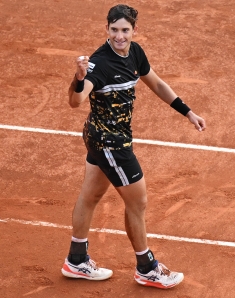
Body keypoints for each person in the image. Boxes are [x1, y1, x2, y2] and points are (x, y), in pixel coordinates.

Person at [61, 4, 206, 289]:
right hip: (110, 143)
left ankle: (76, 260)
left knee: (90, 195)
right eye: (114, 30)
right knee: (137, 202)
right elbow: (75, 102)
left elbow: (157, 84)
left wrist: (188, 112)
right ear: (106, 29)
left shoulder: (135, 52)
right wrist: (79, 78)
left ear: (134, 30)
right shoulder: (98, 64)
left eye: (125, 30)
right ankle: (147, 268)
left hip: (100, 137)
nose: (119, 36)